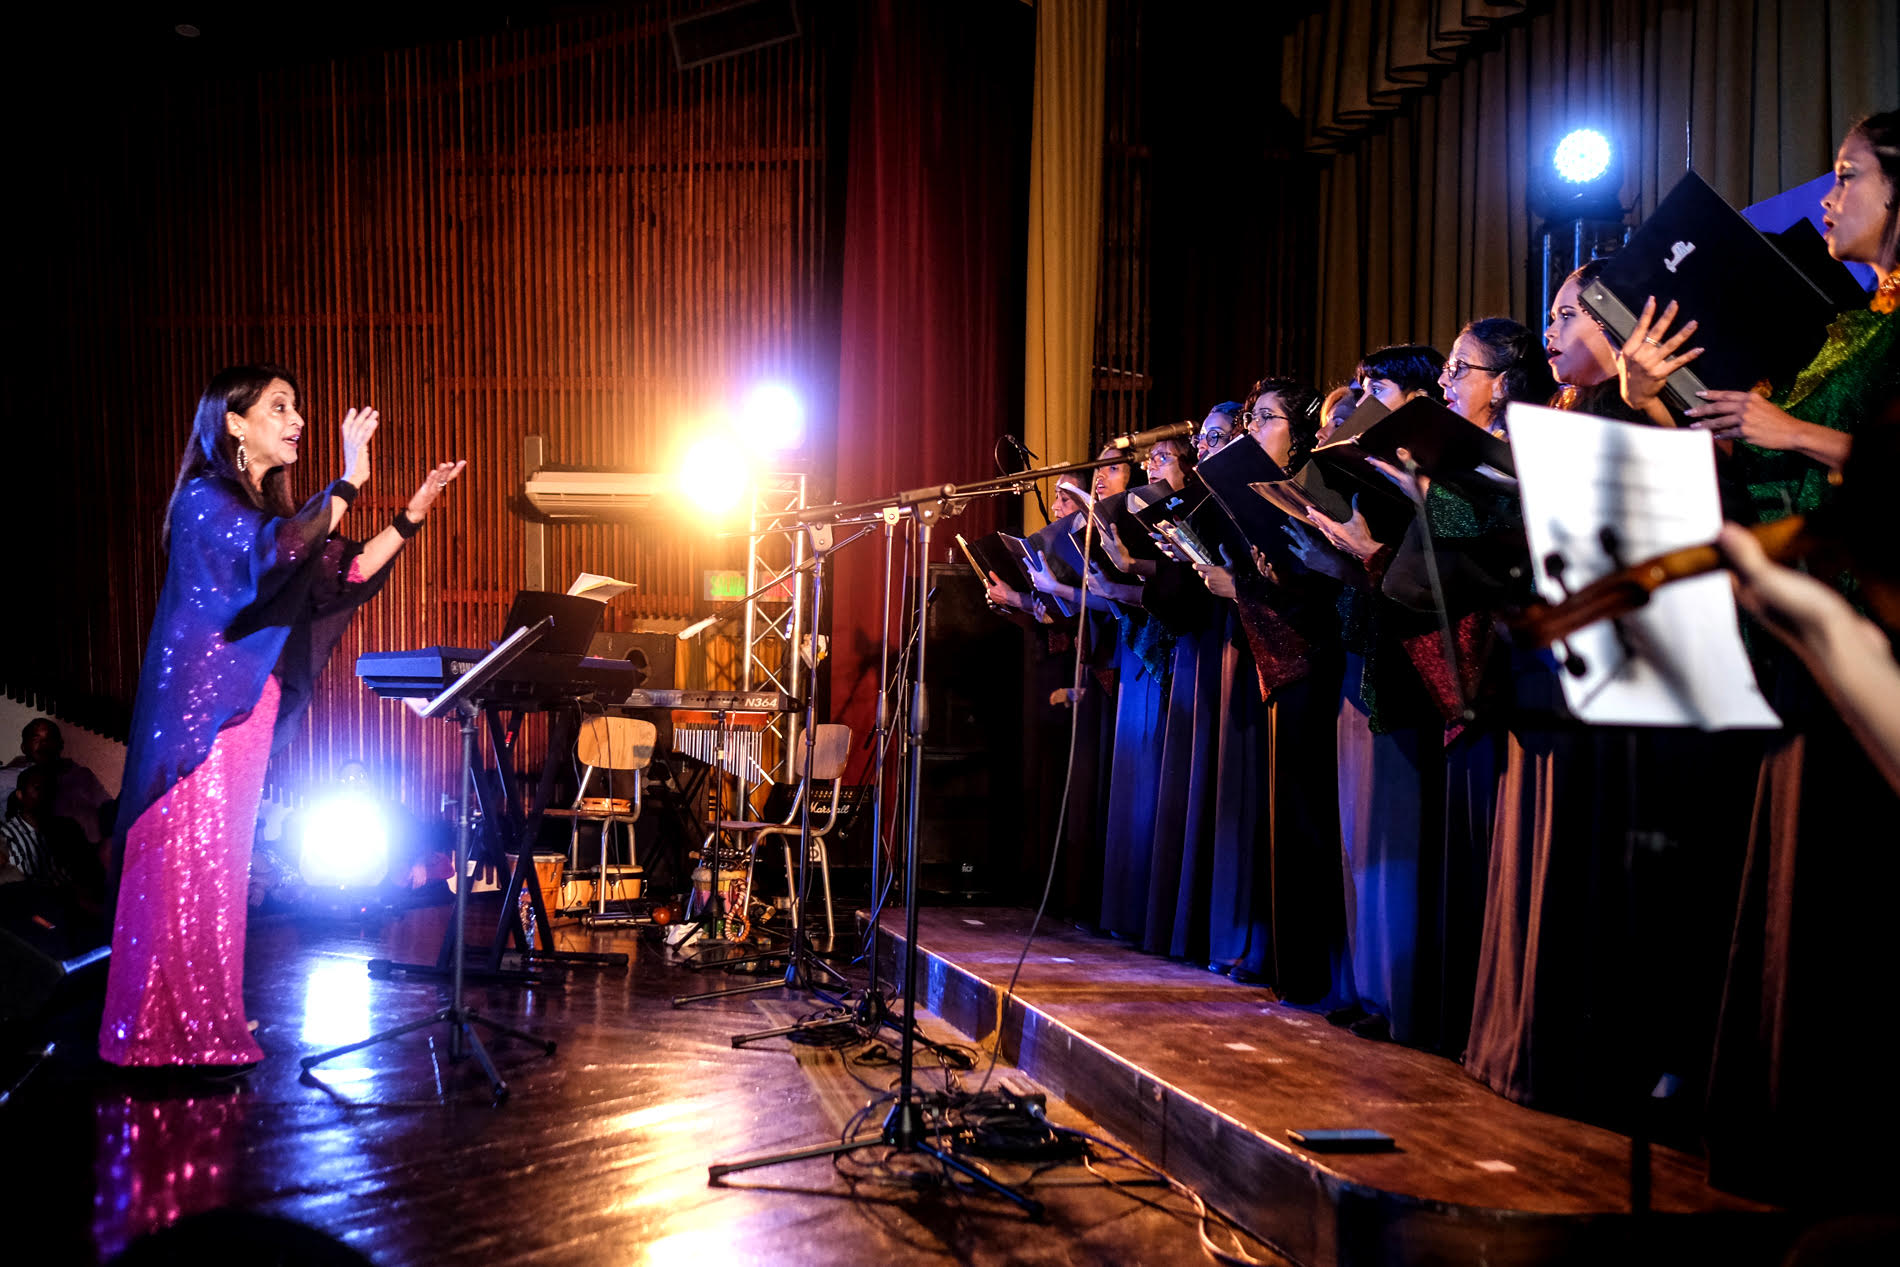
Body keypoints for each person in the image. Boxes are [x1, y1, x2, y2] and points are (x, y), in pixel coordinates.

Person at [98, 364, 465, 1073]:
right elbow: (285, 549)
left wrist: (412, 512)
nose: (297, 419)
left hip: (247, 709)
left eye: (296, 406)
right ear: (234, 422)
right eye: (280, 406)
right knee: (188, 865)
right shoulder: (205, 501)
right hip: (201, 718)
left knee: (221, 870)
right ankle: (159, 1027)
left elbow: (344, 573)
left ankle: (203, 1012)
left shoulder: (266, 519)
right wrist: (350, 478)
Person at [1699, 110, 1900, 1206]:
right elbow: (1770, 458)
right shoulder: (1846, 324)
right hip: (1804, 631)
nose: (1828, 196)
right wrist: (1667, 401)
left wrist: (1799, 439)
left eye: (1848, 173)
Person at [2, 718, 112, 843]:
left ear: (60, 744)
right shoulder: (6, 778)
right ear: (24, 747)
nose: (44, 744)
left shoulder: (81, 776)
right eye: (36, 739)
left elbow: (108, 810)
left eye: (50, 739)